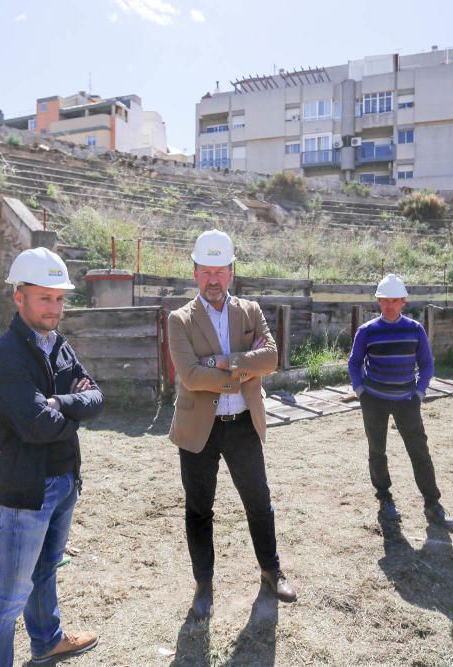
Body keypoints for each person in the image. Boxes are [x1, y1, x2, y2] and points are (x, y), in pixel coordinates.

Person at [0, 247, 104, 666]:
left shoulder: (59, 346)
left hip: (64, 479)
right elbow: (36, 425)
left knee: (47, 568)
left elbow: (96, 397)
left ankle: (47, 640)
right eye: (44, 297)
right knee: (10, 594)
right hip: (25, 490)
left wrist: (59, 403)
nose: (55, 307)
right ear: (20, 297)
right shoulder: (4, 357)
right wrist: (72, 415)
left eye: (60, 298)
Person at [166, 229, 295, 620]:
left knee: (259, 502)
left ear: (231, 272)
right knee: (199, 509)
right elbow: (190, 376)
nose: (213, 280)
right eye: (205, 271)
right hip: (198, 429)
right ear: (194, 273)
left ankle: (271, 571)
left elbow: (271, 358)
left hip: (242, 424)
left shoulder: (250, 312)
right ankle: (203, 586)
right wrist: (242, 368)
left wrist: (223, 362)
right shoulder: (180, 320)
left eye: (220, 271)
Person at [348, 274, 453, 530]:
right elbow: (354, 362)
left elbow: (427, 364)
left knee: (419, 452)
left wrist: (419, 392)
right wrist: (360, 390)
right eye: (384, 300)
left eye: (394, 300)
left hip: (407, 400)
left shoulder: (415, 329)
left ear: (404, 301)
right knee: (377, 451)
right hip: (374, 400)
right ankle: (385, 500)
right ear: (378, 301)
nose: (389, 305)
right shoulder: (367, 331)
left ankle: (433, 504)